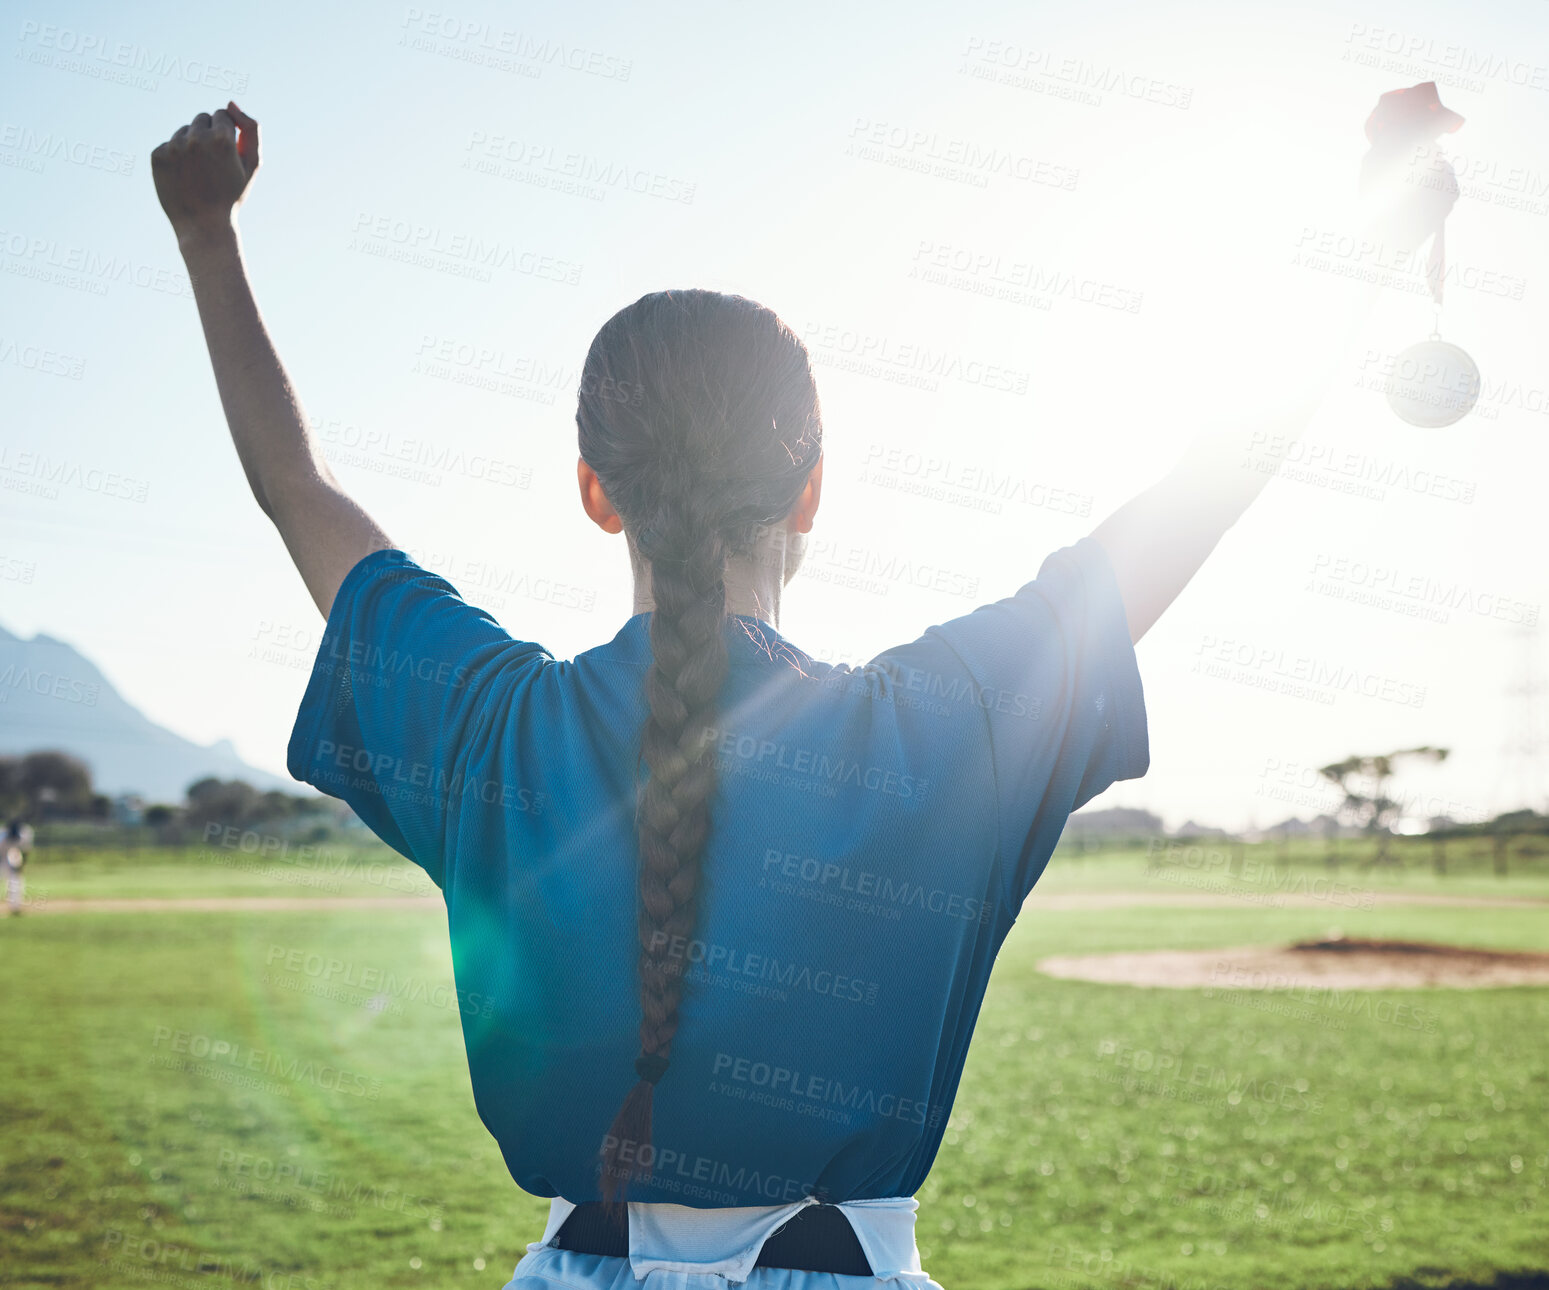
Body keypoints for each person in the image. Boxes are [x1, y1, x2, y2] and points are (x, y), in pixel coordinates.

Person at [151, 95, 1431, 1287]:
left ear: (596, 491)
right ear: (811, 490)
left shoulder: (496, 728)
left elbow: (300, 496)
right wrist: (1373, 237)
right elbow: (1201, 492)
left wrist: (207, 237)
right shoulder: (945, 730)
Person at [2, 819, 31, 915]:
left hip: (12, 863)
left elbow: (24, 853)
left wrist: (20, 865)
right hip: (4, 862)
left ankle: (15, 907)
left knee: (15, 883)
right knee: (14, 883)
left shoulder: (20, 838)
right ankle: (15, 906)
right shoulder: (3, 836)